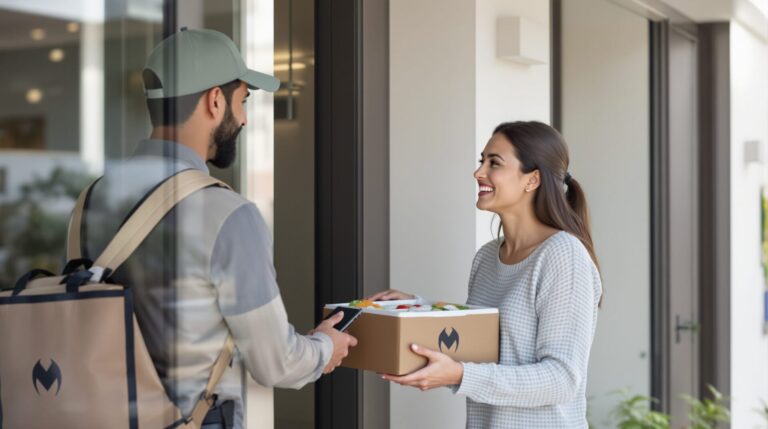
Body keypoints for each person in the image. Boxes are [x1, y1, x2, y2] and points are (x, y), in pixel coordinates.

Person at [79, 28, 356, 428]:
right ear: (214, 100)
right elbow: (276, 363)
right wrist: (325, 347)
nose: (243, 118)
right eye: (242, 101)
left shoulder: (89, 200)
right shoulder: (227, 213)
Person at [369, 121, 603, 428]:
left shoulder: (563, 254)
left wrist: (461, 375)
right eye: (482, 161)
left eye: (495, 163)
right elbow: (484, 341)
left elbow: (561, 379)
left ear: (532, 180)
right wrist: (418, 309)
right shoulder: (487, 257)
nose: (479, 172)